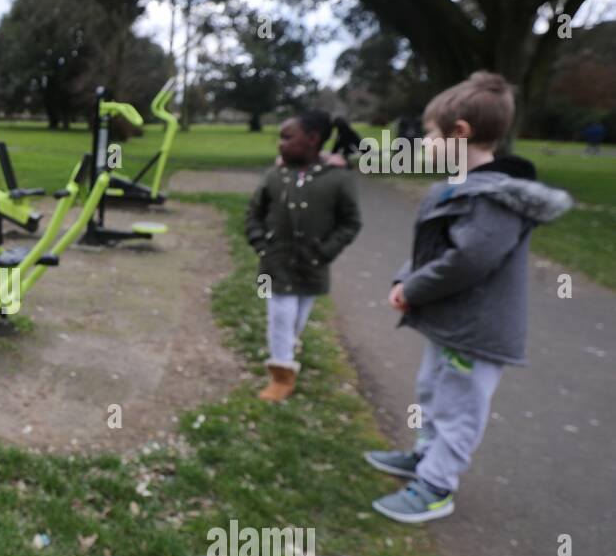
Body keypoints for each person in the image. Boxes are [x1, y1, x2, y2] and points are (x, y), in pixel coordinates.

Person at [366, 72, 573, 523]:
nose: (424, 143)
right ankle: (426, 456)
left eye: (430, 134)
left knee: (460, 405)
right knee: (433, 391)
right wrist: (404, 279)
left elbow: (466, 262)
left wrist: (413, 288)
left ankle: (438, 485)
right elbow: (432, 249)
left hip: (476, 331)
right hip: (450, 323)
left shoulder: (494, 199)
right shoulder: (458, 187)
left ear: (461, 133)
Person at [245, 110, 362, 402]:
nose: (280, 143)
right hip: (274, 263)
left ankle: (286, 347)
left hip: (313, 265)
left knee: (297, 317)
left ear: (312, 140)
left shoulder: (338, 179)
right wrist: (261, 243)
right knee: (280, 315)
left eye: (287, 137)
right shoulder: (274, 176)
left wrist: (326, 251)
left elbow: (350, 222)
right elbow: (254, 213)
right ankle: (281, 375)